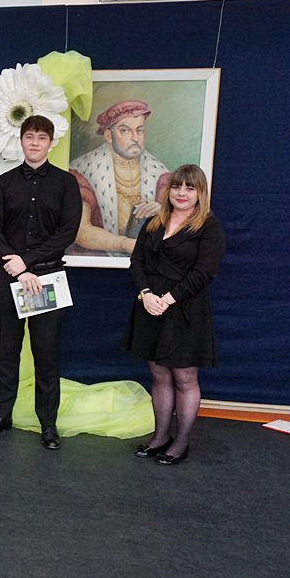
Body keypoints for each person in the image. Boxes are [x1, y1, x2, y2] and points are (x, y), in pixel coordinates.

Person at [0, 115, 81, 449]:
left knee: (46, 354)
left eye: (41, 138)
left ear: (51, 143)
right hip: (8, 278)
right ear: (21, 141)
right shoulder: (4, 183)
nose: (35, 143)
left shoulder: (66, 184)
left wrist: (29, 262)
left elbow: (67, 232)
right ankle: (1, 415)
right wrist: (19, 269)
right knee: (7, 351)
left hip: (47, 279)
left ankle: (48, 424)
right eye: (29, 137)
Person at [125, 164, 224, 465]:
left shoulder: (209, 227)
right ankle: (160, 437)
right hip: (150, 306)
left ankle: (180, 443)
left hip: (185, 310)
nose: (182, 193)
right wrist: (146, 295)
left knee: (184, 378)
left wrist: (167, 299)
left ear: (200, 193)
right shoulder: (153, 223)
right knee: (158, 375)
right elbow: (136, 263)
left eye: (189, 188)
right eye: (177, 187)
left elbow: (204, 273)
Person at [69, 100, 171, 253]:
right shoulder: (82, 171)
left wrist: (164, 213)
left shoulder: (161, 175)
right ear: (108, 136)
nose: (135, 138)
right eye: (125, 131)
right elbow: (81, 232)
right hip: (97, 260)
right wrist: (125, 244)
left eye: (140, 131)